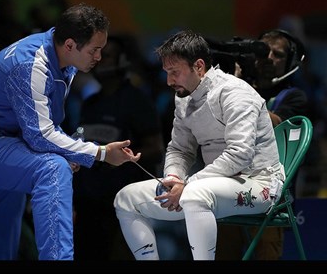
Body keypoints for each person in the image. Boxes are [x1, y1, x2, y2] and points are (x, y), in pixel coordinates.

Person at [0, 3, 141, 261]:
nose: (99, 57)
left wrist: (71, 149)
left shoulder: (63, 59)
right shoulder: (30, 64)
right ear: (71, 44)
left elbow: (44, 125)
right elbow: (40, 135)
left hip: (6, 145)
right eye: (95, 50)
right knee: (52, 169)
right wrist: (101, 153)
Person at [113, 29, 285, 260]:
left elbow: (239, 154)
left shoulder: (236, 93)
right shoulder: (184, 98)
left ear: (199, 66)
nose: (169, 81)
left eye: (175, 72)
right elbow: (179, 149)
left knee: (194, 195)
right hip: (213, 186)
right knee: (125, 199)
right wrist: (174, 178)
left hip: (259, 184)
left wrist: (189, 183)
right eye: (166, 72)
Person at [216, 29, 308, 260]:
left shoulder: (293, 97)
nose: (269, 59)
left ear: (291, 62)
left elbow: (274, 124)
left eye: (277, 54)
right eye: (263, 52)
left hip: (270, 197)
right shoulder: (234, 87)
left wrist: (236, 89)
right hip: (229, 190)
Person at [72, 35, 164, 260]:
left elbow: (156, 148)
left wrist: (120, 161)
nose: (100, 60)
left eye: (108, 55)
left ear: (122, 60)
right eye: (97, 54)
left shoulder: (136, 101)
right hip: (87, 202)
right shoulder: (90, 103)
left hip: (120, 204)